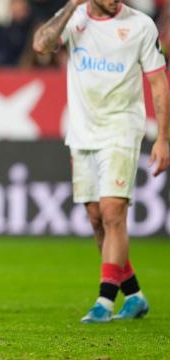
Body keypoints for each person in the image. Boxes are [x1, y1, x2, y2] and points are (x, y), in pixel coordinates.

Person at [33, 0, 170, 323]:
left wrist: (163, 138)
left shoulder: (140, 25)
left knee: (112, 211)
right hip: (82, 132)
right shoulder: (75, 18)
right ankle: (134, 296)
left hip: (122, 128)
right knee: (96, 217)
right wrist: (71, 6)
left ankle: (104, 302)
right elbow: (41, 44)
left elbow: (158, 82)